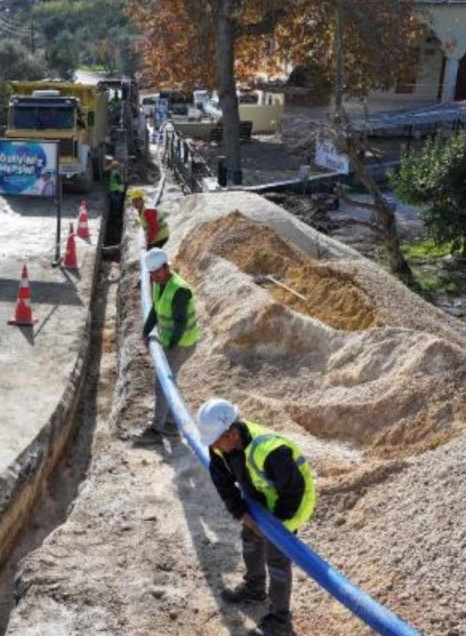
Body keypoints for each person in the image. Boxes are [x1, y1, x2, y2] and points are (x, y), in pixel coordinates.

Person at [195, 398, 318, 636]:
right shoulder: (220, 447)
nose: (214, 447)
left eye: (216, 442)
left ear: (230, 433)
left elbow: (293, 492)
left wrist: (273, 527)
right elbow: (223, 483)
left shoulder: (272, 451)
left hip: (290, 503)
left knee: (276, 557)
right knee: (250, 539)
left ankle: (280, 621)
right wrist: (242, 513)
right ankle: (255, 588)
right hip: (261, 498)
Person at [135, 248, 199, 445]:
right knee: (169, 381)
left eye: (158, 272)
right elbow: (155, 308)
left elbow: (179, 323)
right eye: (152, 274)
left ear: (166, 267)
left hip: (182, 342)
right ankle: (171, 424)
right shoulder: (158, 284)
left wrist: (168, 346)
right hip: (171, 340)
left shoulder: (179, 290)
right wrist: (146, 331)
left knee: (162, 383)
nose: (155, 277)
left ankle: (157, 428)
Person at [107, 159, 126, 228]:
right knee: (116, 206)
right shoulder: (117, 174)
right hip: (116, 192)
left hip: (113, 192)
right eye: (119, 167)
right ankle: (116, 221)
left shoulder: (113, 173)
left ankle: (115, 219)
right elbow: (120, 182)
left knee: (115, 206)